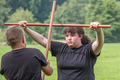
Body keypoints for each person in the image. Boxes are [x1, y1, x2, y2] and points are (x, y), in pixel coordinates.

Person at [19, 21, 104, 80]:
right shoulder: (60, 48)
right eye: (67, 36)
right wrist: (26, 28)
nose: (69, 38)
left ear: (80, 36)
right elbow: (42, 40)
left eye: (72, 35)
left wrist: (98, 31)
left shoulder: (88, 49)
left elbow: (99, 43)